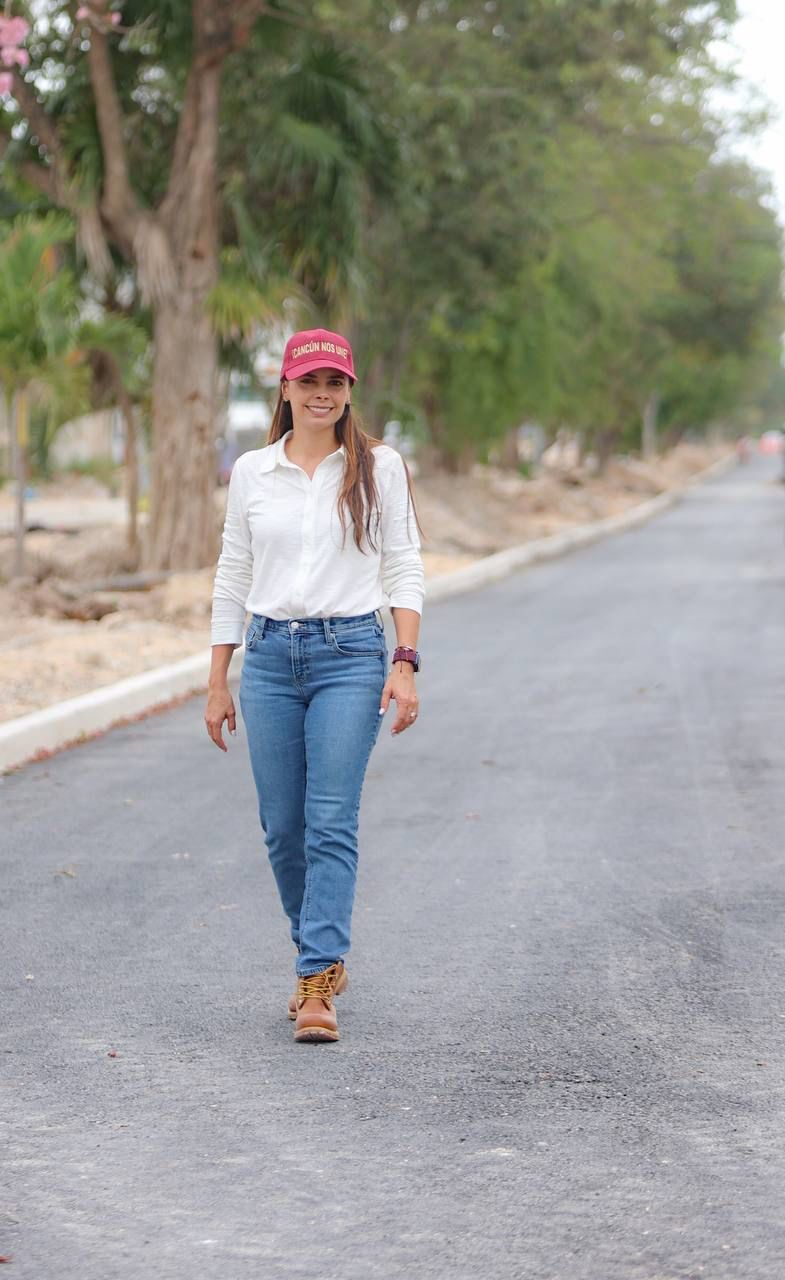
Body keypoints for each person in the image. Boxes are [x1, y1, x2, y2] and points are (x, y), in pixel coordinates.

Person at [205, 328, 425, 1043]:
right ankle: (319, 952)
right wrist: (217, 678)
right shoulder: (253, 472)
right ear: (286, 388)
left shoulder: (378, 467)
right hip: (269, 657)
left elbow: (403, 564)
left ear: (349, 391)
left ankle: (315, 981)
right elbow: (233, 573)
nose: (321, 395)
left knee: (330, 818)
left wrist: (404, 662)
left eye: (334, 383)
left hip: (351, 654)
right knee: (282, 829)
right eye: (309, 382)